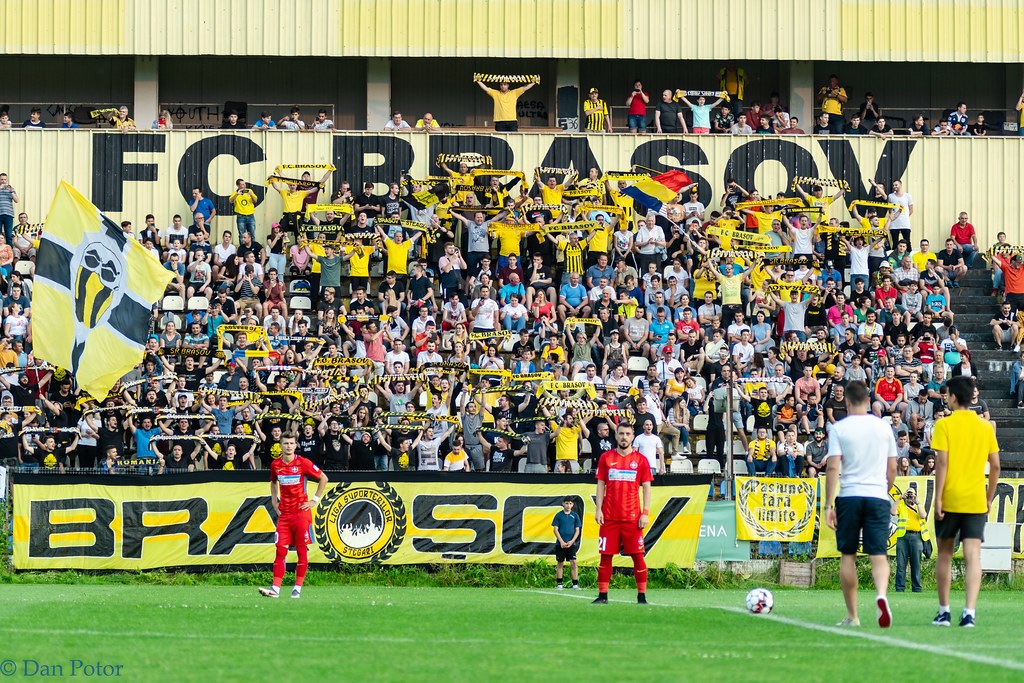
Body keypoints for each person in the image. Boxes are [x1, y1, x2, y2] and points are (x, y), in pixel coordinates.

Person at [823, 380, 896, 628]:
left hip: (850, 495)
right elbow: (893, 468)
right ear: (869, 401)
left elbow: (833, 466)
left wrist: (828, 505)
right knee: (878, 554)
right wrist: (884, 491)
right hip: (877, 495)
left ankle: (853, 615)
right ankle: (882, 595)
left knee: (848, 555)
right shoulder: (883, 427)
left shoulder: (839, 429)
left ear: (846, 401)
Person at [930, 376, 1000, 627]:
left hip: (950, 498)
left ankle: (944, 611)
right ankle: (969, 613)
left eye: (947, 395)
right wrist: (988, 497)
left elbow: (942, 462)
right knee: (973, 556)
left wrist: (937, 498)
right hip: (975, 499)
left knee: (945, 555)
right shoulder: (985, 427)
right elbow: (996, 466)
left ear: (953, 397)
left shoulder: (944, 425)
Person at [259, 434, 329, 599]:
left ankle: (297, 588)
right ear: (281, 446)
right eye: (286, 443)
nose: (289, 446)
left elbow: (324, 478)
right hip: (284, 515)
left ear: (295, 445)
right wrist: (274, 503)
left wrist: (314, 500)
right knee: (280, 550)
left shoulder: (303, 462)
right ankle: (275, 589)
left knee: (301, 551)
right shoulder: (276, 465)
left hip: (301, 514)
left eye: (291, 443)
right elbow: (273, 482)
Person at [593, 422, 653, 605]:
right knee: (605, 556)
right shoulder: (606, 458)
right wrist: (598, 509)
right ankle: (603, 595)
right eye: (621, 434)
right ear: (616, 436)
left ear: (633, 436)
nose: (624, 437)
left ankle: (641, 596)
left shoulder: (641, 460)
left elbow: (647, 488)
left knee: (638, 556)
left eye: (627, 434)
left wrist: (645, 513)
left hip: (632, 518)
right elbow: (601, 484)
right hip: (609, 517)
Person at [894, 486, 929, 593]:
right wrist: (899, 498)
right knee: (900, 564)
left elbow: (923, 515)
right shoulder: (901, 505)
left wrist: (917, 503)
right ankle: (900, 588)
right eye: (908, 494)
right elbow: (891, 511)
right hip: (902, 537)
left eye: (912, 494)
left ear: (915, 495)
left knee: (916, 564)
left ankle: (917, 588)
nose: (910, 497)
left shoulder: (919, 506)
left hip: (917, 537)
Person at [552, 496, 582, 590]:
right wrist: (561, 541)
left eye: (570, 503)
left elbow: (577, 530)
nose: (568, 505)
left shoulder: (575, 516)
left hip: (571, 544)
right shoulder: (558, 515)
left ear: (572, 505)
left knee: (573, 563)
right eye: (566, 503)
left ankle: (575, 584)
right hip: (560, 544)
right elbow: (555, 529)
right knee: (560, 563)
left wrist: (572, 541)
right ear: (563, 504)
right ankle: (559, 584)